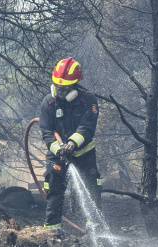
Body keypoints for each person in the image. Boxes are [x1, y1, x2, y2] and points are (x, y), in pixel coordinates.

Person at [39, 57, 101, 237]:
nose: (59, 91)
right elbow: (46, 132)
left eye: (64, 88)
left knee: (92, 188)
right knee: (54, 190)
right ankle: (52, 232)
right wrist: (58, 149)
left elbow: (87, 127)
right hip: (57, 155)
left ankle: (94, 230)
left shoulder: (88, 100)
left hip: (84, 154)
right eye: (57, 87)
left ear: (75, 86)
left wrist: (73, 143)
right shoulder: (48, 103)